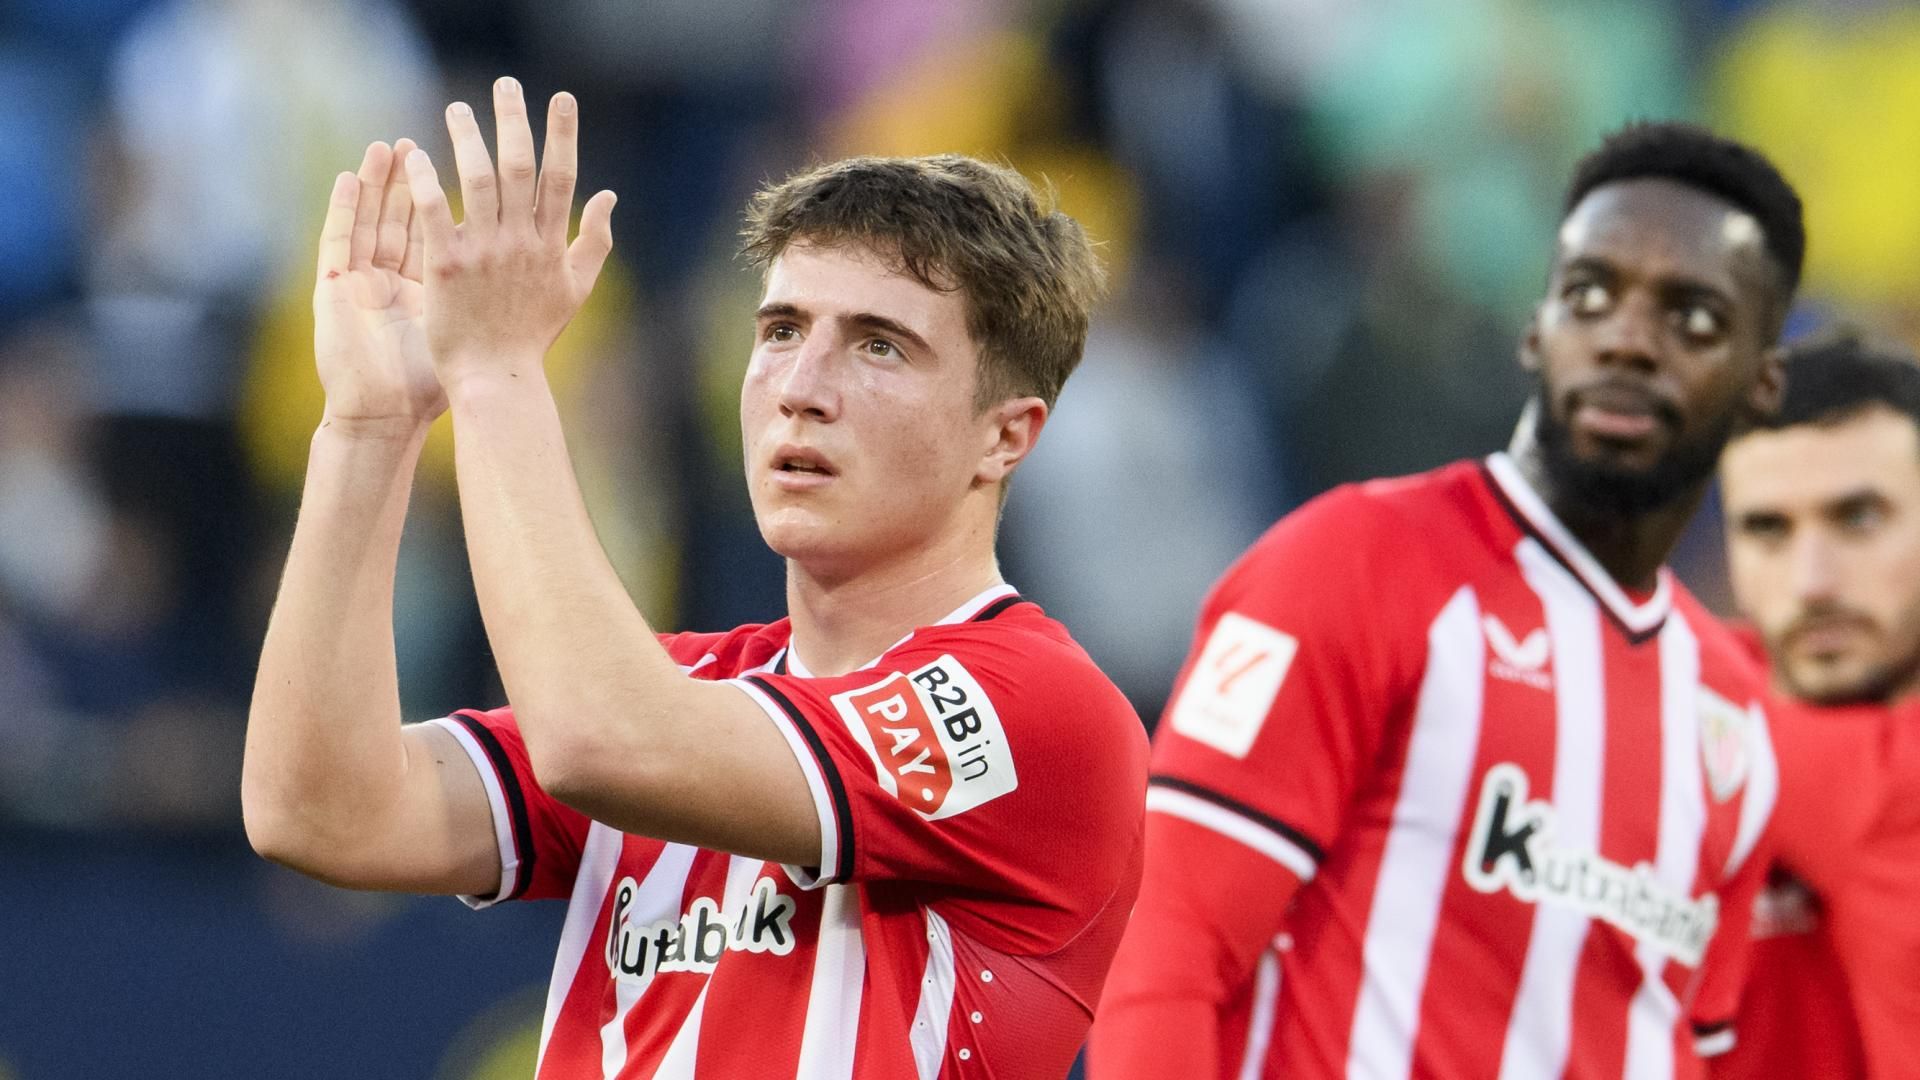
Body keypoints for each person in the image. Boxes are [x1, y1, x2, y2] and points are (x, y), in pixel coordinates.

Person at [240, 78, 1147, 1079]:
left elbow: (603, 740)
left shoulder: (1041, 713)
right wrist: (368, 429)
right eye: (783, 331)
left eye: (880, 346)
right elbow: (319, 810)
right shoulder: (688, 693)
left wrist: (497, 370)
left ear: (1004, 436)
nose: (802, 390)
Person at [1088, 121, 1803, 1080]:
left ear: (1762, 386)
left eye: (1692, 318)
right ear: (1535, 324)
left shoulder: (1736, 722)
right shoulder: (1355, 564)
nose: (1628, 340)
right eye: (1591, 294)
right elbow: (1169, 947)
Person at [1711, 335, 1920, 1080]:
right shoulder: (1684, 685)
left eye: (1858, 519)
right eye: (1767, 529)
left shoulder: (1678, 710)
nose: (1813, 581)